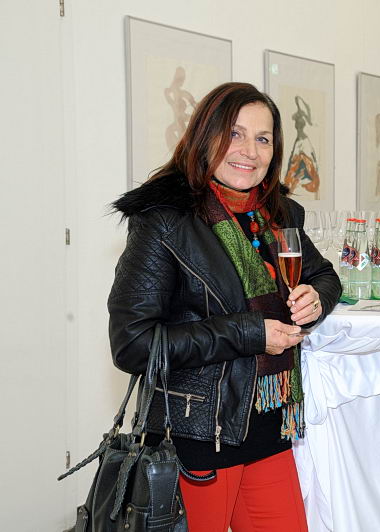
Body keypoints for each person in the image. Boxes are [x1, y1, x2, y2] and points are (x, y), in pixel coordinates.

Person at [109, 82, 341, 532]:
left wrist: (317, 298)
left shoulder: (278, 213)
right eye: (235, 134)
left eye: (263, 138)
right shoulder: (163, 219)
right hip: (197, 432)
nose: (249, 151)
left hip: (269, 425)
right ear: (206, 135)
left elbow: (324, 275)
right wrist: (250, 332)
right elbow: (133, 345)